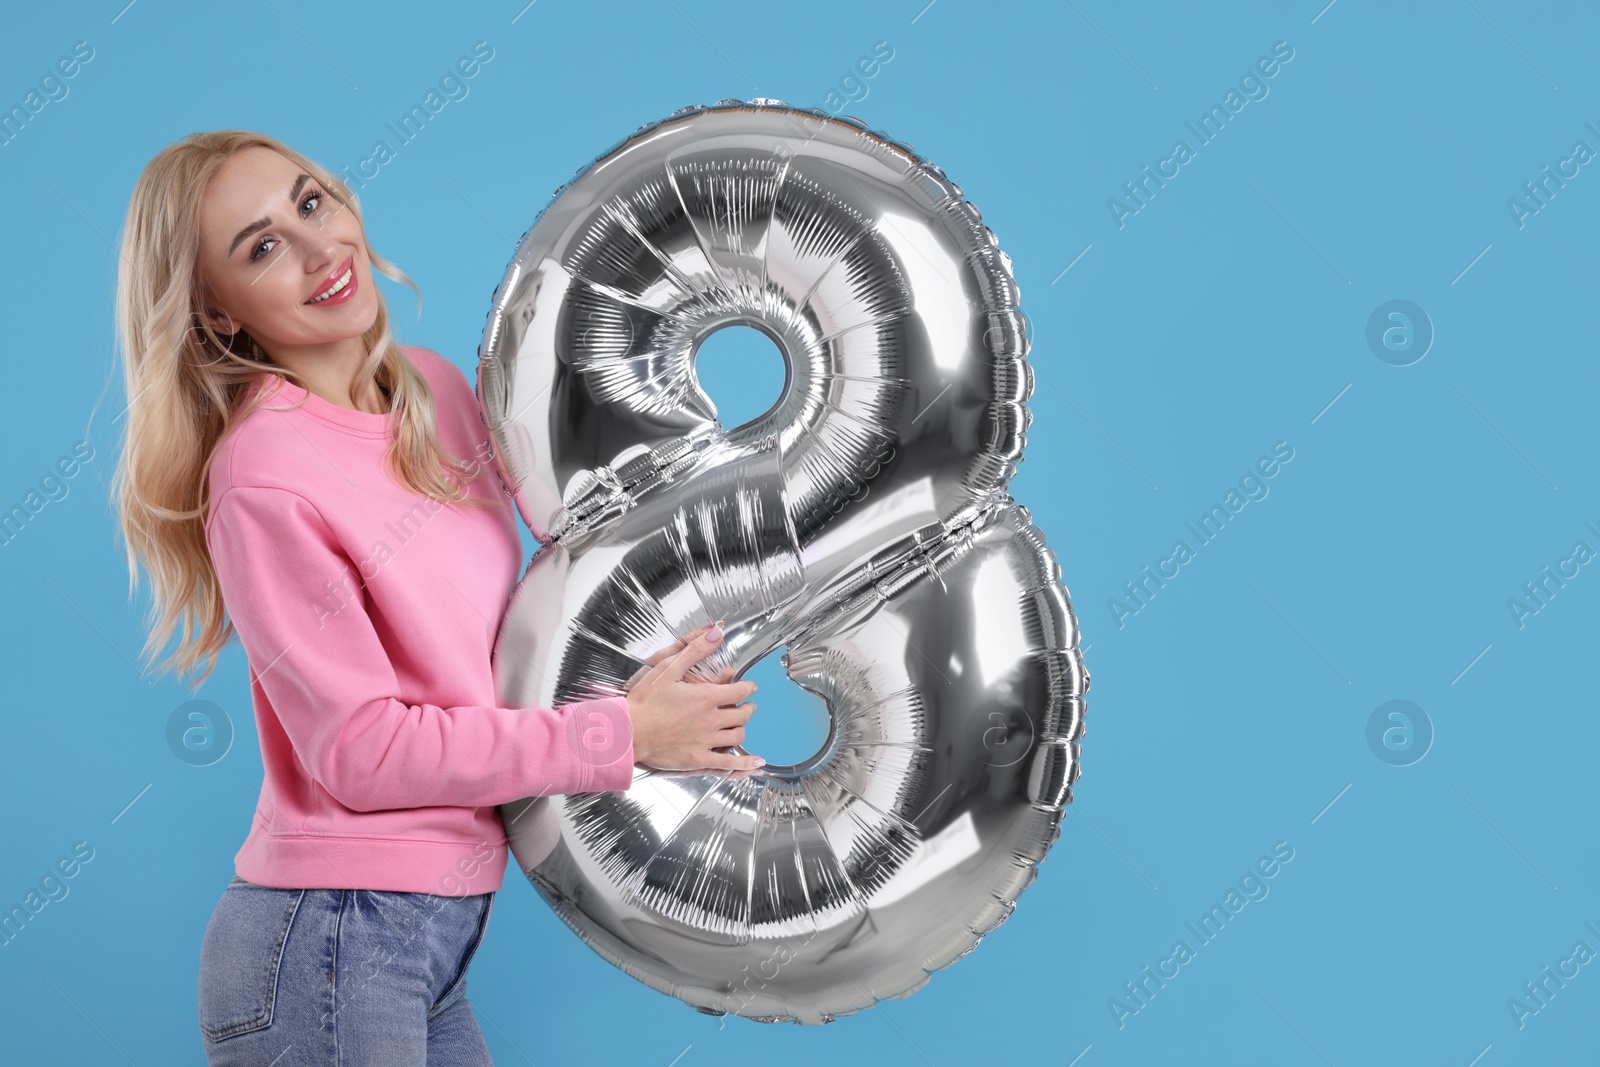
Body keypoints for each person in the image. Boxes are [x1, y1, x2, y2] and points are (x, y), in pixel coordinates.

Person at [109, 129, 764, 1066]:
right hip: (330, 939)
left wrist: (679, 690)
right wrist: (619, 735)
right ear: (217, 316)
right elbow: (362, 751)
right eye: (260, 248)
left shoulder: (435, 393)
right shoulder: (263, 476)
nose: (316, 248)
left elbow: (547, 610)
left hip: (430, 936)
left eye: (310, 202)